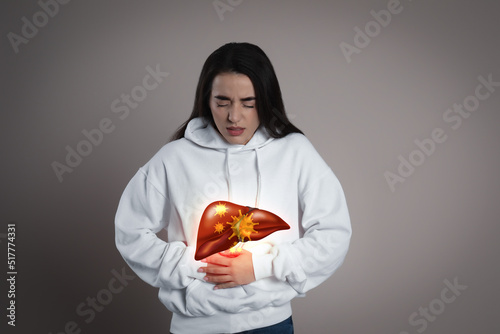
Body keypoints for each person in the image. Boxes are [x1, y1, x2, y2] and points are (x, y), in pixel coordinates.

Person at [115, 42, 352, 334]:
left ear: (265, 100)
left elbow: (334, 233)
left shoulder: (295, 152)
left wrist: (261, 266)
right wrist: (192, 264)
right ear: (207, 99)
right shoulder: (174, 158)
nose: (234, 116)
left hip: (270, 325)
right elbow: (130, 231)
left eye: (248, 103)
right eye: (223, 102)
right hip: (195, 327)